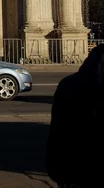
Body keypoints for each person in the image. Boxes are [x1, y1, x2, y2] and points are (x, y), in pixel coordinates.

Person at [46, 43, 104, 187]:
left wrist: (56, 170)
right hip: (78, 169)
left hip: (72, 170)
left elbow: (57, 133)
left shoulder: (68, 84)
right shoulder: (72, 86)